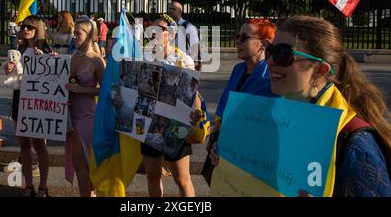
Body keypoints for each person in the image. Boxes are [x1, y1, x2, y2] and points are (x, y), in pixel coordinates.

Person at [211, 16, 391, 197]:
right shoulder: (265, 117)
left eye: (283, 54)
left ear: (320, 70)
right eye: (271, 50)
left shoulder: (355, 144)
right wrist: (229, 158)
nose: (270, 61)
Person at [135, 15, 204, 197]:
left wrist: (196, 112)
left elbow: (193, 93)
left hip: (176, 124)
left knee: (181, 179)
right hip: (151, 122)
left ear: (171, 34)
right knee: (152, 175)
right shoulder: (144, 58)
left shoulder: (184, 60)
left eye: (161, 29)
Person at [201, 18, 277, 185]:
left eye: (244, 38)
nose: (237, 41)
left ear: (263, 44)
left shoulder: (271, 77)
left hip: (251, 154)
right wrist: (215, 136)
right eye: (237, 36)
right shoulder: (238, 69)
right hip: (225, 147)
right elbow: (224, 107)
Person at [4, 15, 53, 197]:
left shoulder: (45, 49)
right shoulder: (19, 48)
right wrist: (7, 69)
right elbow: (13, 73)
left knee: (40, 145)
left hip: (38, 102)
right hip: (20, 100)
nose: (25, 29)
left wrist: (47, 59)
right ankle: (28, 185)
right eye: (23, 26)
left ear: (38, 29)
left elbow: (54, 74)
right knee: (24, 144)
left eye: (30, 27)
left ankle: (43, 186)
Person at [64, 19, 106, 197]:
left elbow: (105, 91)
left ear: (89, 36)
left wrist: (83, 90)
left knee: (83, 161)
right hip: (72, 113)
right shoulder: (75, 55)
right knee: (78, 162)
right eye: (74, 33)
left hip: (88, 115)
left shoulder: (97, 61)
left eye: (78, 33)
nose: (74, 36)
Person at [168, 1, 201, 70]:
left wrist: (189, 63)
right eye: (169, 9)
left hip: (185, 64)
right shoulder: (168, 26)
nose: (170, 11)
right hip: (171, 62)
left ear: (180, 12)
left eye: (173, 9)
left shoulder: (187, 26)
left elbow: (195, 46)